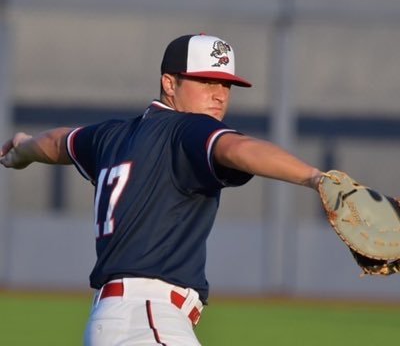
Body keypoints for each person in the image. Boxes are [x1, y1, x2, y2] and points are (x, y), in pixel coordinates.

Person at [0, 33, 324, 346]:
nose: (220, 94)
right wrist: (315, 178)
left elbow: (58, 142)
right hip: (147, 318)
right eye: (206, 81)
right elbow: (238, 149)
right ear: (170, 83)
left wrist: (24, 148)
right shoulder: (191, 129)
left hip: (117, 319)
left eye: (226, 84)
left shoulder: (110, 135)